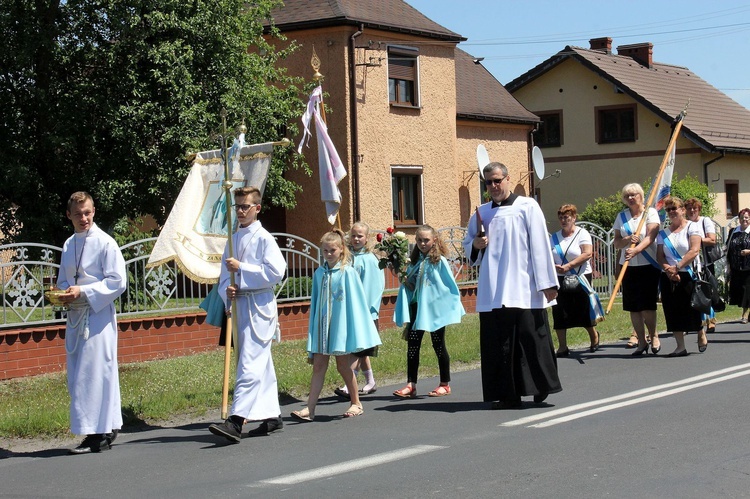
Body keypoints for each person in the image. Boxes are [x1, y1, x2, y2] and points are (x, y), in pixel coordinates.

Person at [462, 162, 562, 410]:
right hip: (494, 289)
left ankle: (540, 387)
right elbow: (468, 246)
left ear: (507, 179)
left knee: (531, 339)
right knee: (499, 344)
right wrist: (476, 245)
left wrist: (547, 283)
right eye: (489, 182)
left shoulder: (527, 206)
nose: (494, 186)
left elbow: (540, 245)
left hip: (524, 286)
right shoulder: (482, 212)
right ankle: (508, 394)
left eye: (497, 180)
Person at [208, 186, 286, 443]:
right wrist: (227, 290)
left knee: (250, 362)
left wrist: (242, 269)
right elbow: (223, 277)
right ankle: (272, 415)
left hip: (258, 306)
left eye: (246, 206)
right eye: (238, 206)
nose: (241, 211)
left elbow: (276, 271)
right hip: (240, 305)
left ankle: (236, 420)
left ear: (257, 208)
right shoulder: (232, 239)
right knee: (259, 362)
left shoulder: (264, 237)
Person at [57, 191, 127, 455]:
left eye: (87, 213)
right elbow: (65, 279)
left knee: (97, 373)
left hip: (97, 317)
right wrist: (64, 292)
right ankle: (103, 428)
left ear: (94, 211)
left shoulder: (106, 243)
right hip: (76, 316)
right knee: (79, 376)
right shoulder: (68, 244)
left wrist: (84, 292)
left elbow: (117, 281)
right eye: (78, 214)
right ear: (69, 216)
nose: (83, 218)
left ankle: (98, 434)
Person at [291, 230, 382, 422]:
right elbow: (315, 302)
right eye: (325, 250)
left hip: (341, 327)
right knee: (318, 366)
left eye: (333, 250)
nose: (329, 254)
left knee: (343, 366)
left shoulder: (348, 272)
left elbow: (356, 304)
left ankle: (356, 402)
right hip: (322, 328)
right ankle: (310, 408)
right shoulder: (319, 273)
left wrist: (354, 329)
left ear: (341, 250)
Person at [392, 225, 465, 398]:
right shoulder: (415, 262)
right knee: (413, 346)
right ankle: (411, 384)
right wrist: (403, 278)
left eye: (426, 240)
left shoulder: (439, 262)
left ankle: (444, 384)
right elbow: (412, 285)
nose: (423, 243)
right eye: (419, 240)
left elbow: (448, 286)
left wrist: (445, 304)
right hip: (417, 309)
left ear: (434, 241)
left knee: (438, 345)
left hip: (434, 311)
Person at [334, 222, 385, 399]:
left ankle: (350, 384)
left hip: (363, 311)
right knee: (359, 348)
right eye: (353, 235)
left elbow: (372, 288)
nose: (356, 239)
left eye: (360, 236)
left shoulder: (370, 259)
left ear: (367, 238)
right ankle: (370, 381)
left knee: (357, 348)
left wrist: (366, 310)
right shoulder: (349, 257)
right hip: (349, 308)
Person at [612, 183, 662, 356]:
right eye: (627, 196)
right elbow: (616, 242)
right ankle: (641, 341)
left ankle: (653, 335)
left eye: (634, 195)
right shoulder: (621, 216)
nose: (631, 198)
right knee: (633, 307)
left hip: (647, 265)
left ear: (641, 196)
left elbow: (651, 236)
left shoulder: (650, 213)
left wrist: (636, 249)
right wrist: (627, 240)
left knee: (647, 306)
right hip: (628, 266)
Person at [550, 204, 600, 357]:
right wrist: (555, 267)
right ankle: (563, 346)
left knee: (583, 309)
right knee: (559, 311)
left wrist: (568, 266)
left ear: (574, 218)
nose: (563, 220)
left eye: (567, 217)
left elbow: (587, 254)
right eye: (561, 218)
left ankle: (594, 336)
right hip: (559, 278)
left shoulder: (582, 233)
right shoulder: (554, 237)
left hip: (581, 277)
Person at [656, 197, 704, 356]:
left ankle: (699, 330)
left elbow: (694, 250)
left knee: (692, 307)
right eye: (668, 209)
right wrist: (668, 271)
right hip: (668, 276)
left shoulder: (692, 227)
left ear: (683, 210)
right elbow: (660, 256)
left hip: (687, 273)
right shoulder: (663, 233)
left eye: (674, 208)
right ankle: (680, 346)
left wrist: (677, 267)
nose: (671, 212)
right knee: (672, 309)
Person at [685, 198, 718, 335]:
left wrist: (696, 239)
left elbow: (712, 239)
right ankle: (696, 322)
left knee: (706, 292)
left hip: (704, 263)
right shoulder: (684, 224)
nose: (692, 211)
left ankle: (711, 320)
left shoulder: (705, 221)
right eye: (689, 208)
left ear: (699, 209)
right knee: (692, 293)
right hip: (690, 263)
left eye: (695, 208)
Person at [726, 208, 750, 323]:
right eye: (742, 217)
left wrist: (749, 252)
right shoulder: (733, 232)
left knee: (747, 290)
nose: (744, 220)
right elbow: (728, 247)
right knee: (740, 290)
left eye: (746, 217)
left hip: (748, 267)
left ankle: (745, 314)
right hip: (736, 267)